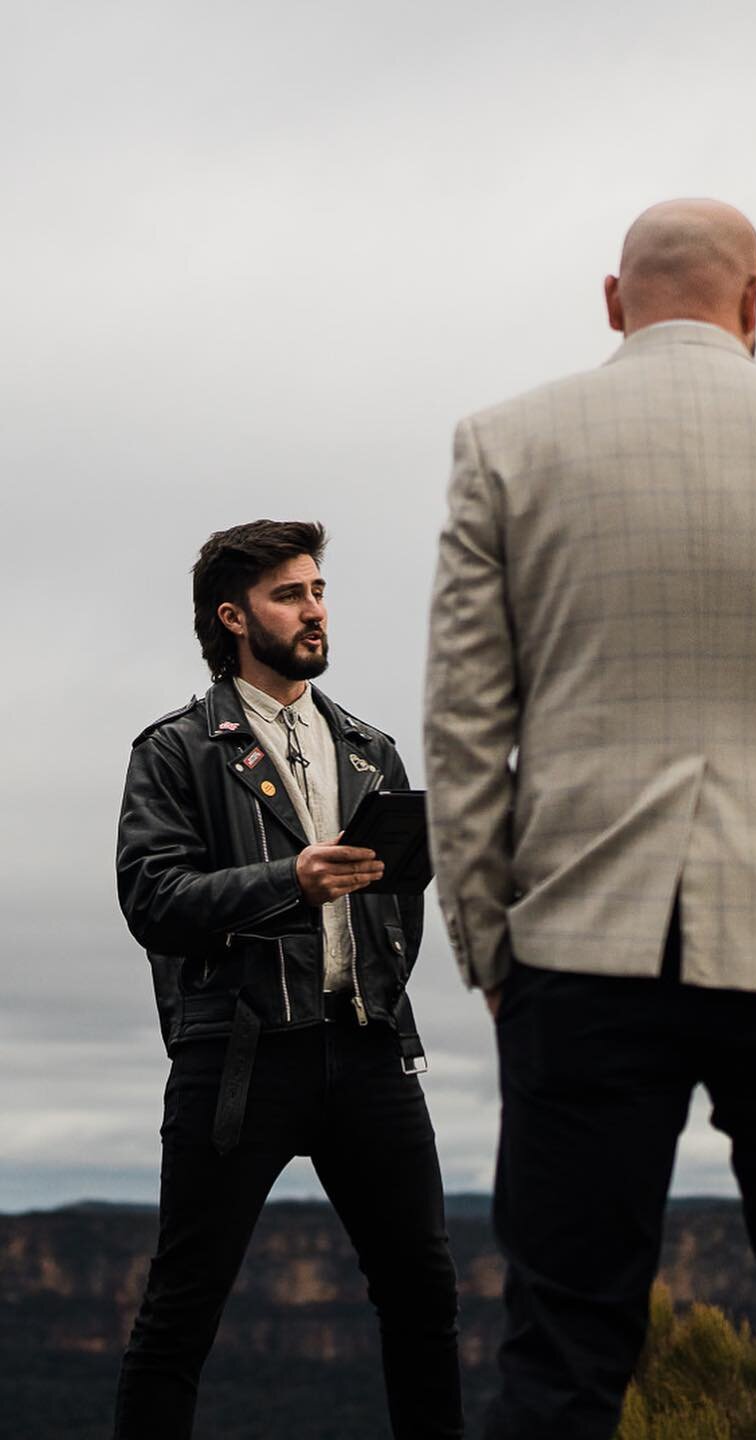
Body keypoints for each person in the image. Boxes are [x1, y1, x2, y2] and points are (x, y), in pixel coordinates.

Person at [425, 198, 756, 1439]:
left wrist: (491, 941)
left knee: (561, 1342)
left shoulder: (507, 442)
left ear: (615, 299)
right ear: (755, 300)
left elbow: (461, 727)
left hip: (584, 941)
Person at [113, 520, 462, 1440]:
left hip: (369, 1051)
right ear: (233, 617)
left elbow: (400, 899)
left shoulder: (368, 749)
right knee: (181, 1314)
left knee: (425, 1300)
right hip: (238, 1060)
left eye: (317, 590)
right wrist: (288, 881)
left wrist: (378, 992)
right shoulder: (177, 750)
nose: (314, 611)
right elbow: (152, 897)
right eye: (288, 595)